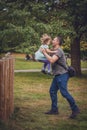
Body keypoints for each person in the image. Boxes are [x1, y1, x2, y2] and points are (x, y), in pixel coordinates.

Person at [41, 36, 80, 119]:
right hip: (57, 75)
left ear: (58, 42)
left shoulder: (59, 51)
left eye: (54, 40)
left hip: (63, 75)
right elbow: (48, 53)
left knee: (64, 93)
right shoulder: (54, 50)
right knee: (52, 91)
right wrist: (44, 50)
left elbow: (51, 60)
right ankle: (54, 110)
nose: (52, 41)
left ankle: (75, 109)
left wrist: (44, 53)